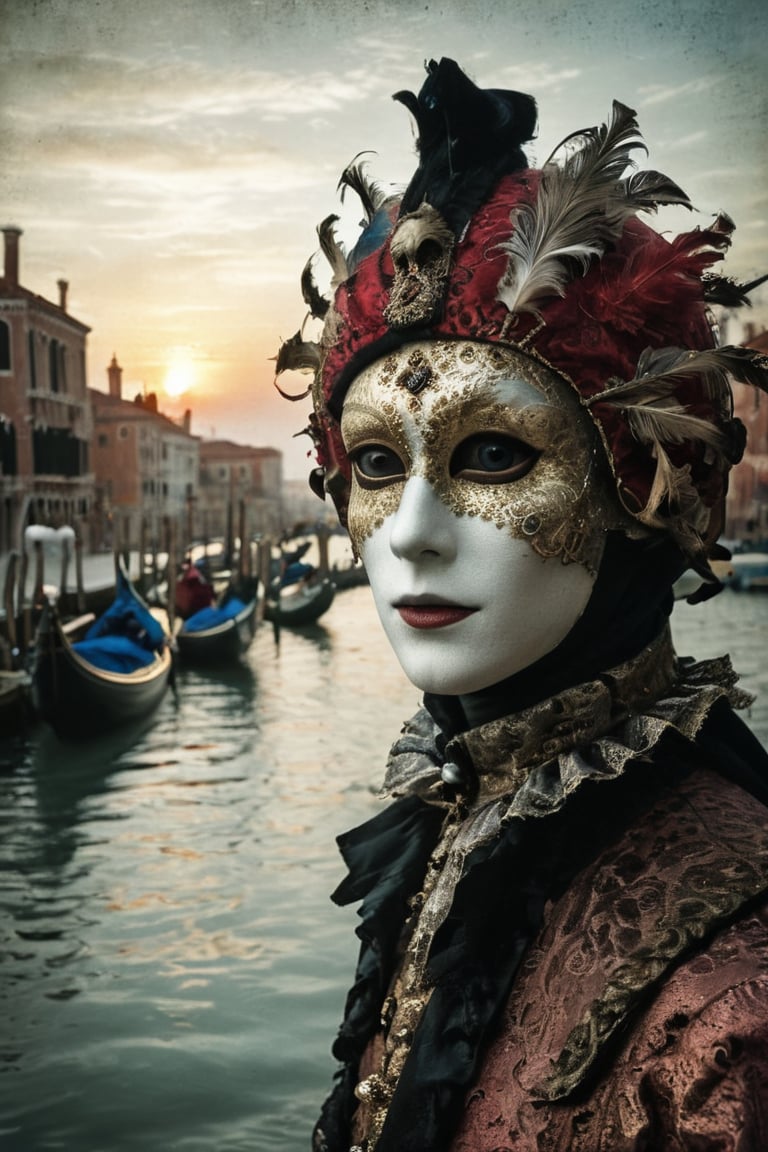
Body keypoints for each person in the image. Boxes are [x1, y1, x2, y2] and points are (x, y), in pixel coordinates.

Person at [276, 58, 768, 1152]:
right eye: (370, 463)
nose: (408, 532)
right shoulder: (466, 811)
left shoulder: (737, 1002)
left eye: (492, 455)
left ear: (643, 484)